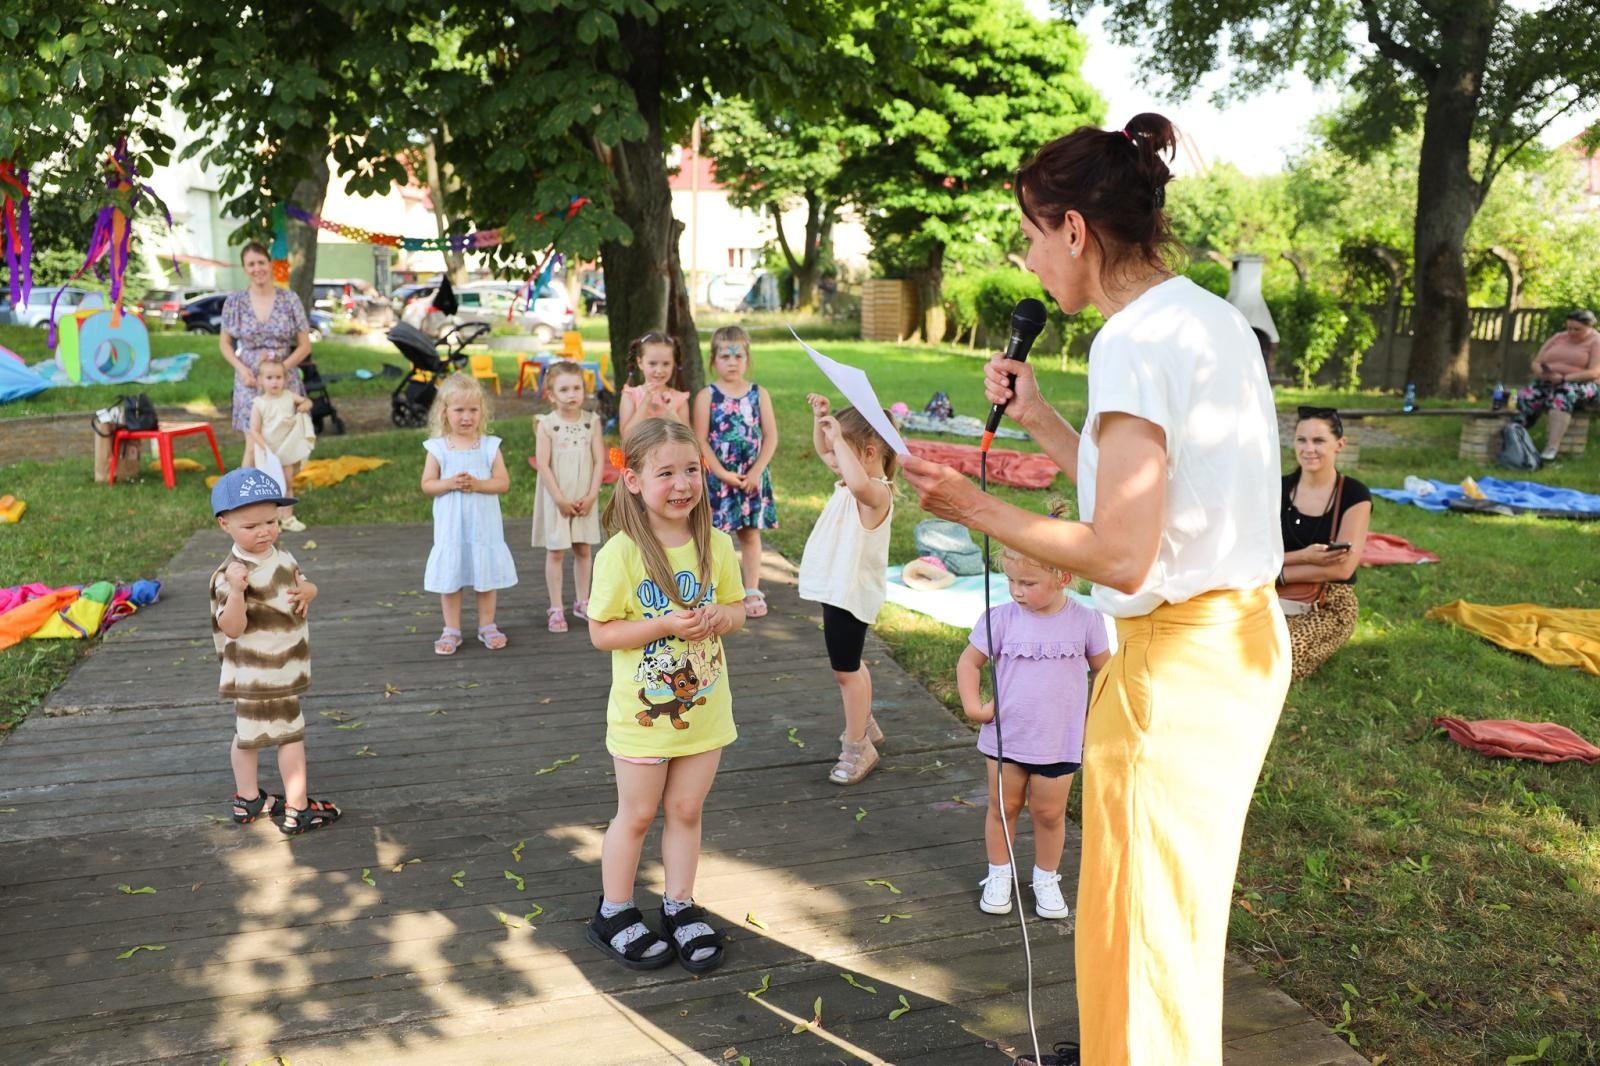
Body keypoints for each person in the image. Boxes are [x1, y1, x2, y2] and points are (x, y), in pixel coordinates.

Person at [900, 113, 1289, 1066]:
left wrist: (972, 506)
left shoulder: (1130, 341)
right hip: (1233, 646)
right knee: (1166, 910)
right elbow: (1154, 501)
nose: (1028, 261)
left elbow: (1119, 555)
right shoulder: (1204, 318)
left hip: (1176, 665)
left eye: (1030, 237)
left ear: (1074, 229)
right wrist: (1037, 416)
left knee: (1143, 923)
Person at [584, 418, 746, 974]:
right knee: (637, 814)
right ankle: (615, 911)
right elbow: (601, 631)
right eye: (666, 473)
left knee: (685, 809)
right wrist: (663, 625)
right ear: (632, 480)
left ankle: (679, 903)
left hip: (705, 711)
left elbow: (738, 608)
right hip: (642, 717)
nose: (682, 484)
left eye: (691, 470)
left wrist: (721, 617)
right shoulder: (622, 554)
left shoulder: (716, 544)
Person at [956, 516, 1110, 921]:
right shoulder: (1001, 619)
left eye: (1028, 583)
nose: (1017, 592)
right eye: (1011, 581)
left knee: (1049, 813)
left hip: (1058, 740)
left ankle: (1045, 878)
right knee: (1002, 807)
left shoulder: (1086, 621)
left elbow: (1105, 674)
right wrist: (974, 706)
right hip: (1007, 739)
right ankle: (999, 874)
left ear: (1063, 576)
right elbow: (969, 664)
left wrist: (1099, 720)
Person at [209, 467, 340, 835]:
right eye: (251, 526)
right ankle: (298, 809)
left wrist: (310, 591)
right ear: (225, 525)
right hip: (262, 671)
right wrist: (236, 592)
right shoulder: (232, 574)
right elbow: (232, 627)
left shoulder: (279, 553)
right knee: (289, 737)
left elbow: (301, 580)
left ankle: (248, 799)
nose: (264, 530)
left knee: (247, 735)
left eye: (271, 520)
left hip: (278, 668)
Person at [797, 396, 896, 786]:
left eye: (841, 450)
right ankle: (866, 721)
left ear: (868, 454)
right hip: (837, 589)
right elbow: (826, 449)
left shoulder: (875, 493)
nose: (831, 459)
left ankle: (857, 746)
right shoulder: (849, 478)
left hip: (850, 594)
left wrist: (838, 438)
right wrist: (821, 420)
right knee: (852, 663)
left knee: (846, 672)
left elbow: (855, 479)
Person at [421, 374, 517, 654]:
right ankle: (451, 629)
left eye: (473, 410)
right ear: (445, 412)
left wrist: (478, 484)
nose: (466, 417)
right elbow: (428, 485)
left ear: (482, 412)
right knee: (452, 576)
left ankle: (487, 624)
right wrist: (450, 483)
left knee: (484, 574)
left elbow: (503, 482)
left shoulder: (489, 446)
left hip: (483, 528)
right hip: (452, 530)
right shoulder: (437, 448)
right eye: (459, 410)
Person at [1277, 406, 1372, 680]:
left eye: (1319, 441)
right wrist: (1304, 557)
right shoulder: (1278, 488)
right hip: (1269, 593)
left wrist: (1275, 569)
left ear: (1339, 445)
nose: (1309, 449)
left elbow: (1341, 569)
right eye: (1301, 440)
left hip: (1329, 600)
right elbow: (1251, 554)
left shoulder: (1354, 494)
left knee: (1279, 655)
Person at [692, 325, 779, 618]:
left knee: (750, 534)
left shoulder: (759, 394)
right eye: (725, 356)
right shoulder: (707, 396)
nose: (732, 362)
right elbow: (701, 439)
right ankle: (715, 589)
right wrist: (721, 474)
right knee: (716, 536)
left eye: (738, 356)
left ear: (747, 359)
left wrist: (756, 472)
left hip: (752, 477)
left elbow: (771, 437)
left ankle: (751, 588)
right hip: (720, 478)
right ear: (713, 359)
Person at [531, 361, 606, 633]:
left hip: (584, 496)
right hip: (558, 498)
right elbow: (543, 465)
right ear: (551, 395)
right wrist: (560, 499)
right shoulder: (547, 425)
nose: (572, 394)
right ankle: (555, 608)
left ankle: (583, 601)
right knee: (556, 552)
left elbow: (599, 461)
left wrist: (591, 495)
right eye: (564, 389)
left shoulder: (591, 422)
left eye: (577, 388)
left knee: (584, 549)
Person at [220, 242, 312, 433]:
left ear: (270, 265)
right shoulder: (234, 302)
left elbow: (305, 346)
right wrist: (242, 370)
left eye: (261, 262)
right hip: (249, 377)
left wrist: (279, 371)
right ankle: (252, 465)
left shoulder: (290, 299)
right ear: (245, 269)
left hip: (282, 377)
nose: (257, 269)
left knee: (285, 440)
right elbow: (225, 343)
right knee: (254, 442)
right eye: (251, 264)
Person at [243, 358, 316, 532]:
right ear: (260, 380)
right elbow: (254, 430)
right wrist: (266, 450)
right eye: (269, 378)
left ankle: (288, 517)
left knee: (287, 484)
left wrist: (305, 405)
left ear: (285, 379)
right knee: (270, 487)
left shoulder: (289, 397)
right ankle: (271, 521)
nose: (274, 381)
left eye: (278, 377)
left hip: (286, 450)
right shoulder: (259, 404)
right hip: (269, 452)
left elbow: (307, 402)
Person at [1518, 309, 1600, 460]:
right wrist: (1543, 374)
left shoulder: (1596, 341)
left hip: (1585, 384)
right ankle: (1517, 438)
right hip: (1551, 380)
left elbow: (1595, 372)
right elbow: (1537, 362)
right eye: (1569, 328)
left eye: (1577, 329)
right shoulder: (1558, 338)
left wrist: (1564, 378)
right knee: (1526, 395)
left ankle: (1551, 448)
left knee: (1561, 395)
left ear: (1590, 327)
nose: (1571, 332)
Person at [618, 331, 690, 437]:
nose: (659, 370)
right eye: (652, 363)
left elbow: (688, 439)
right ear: (640, 363)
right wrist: (645, 401)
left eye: (666, 364)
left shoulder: (679, 399)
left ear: (673, 364)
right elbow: (626, 436)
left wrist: (671, 412)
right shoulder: (630, 395)